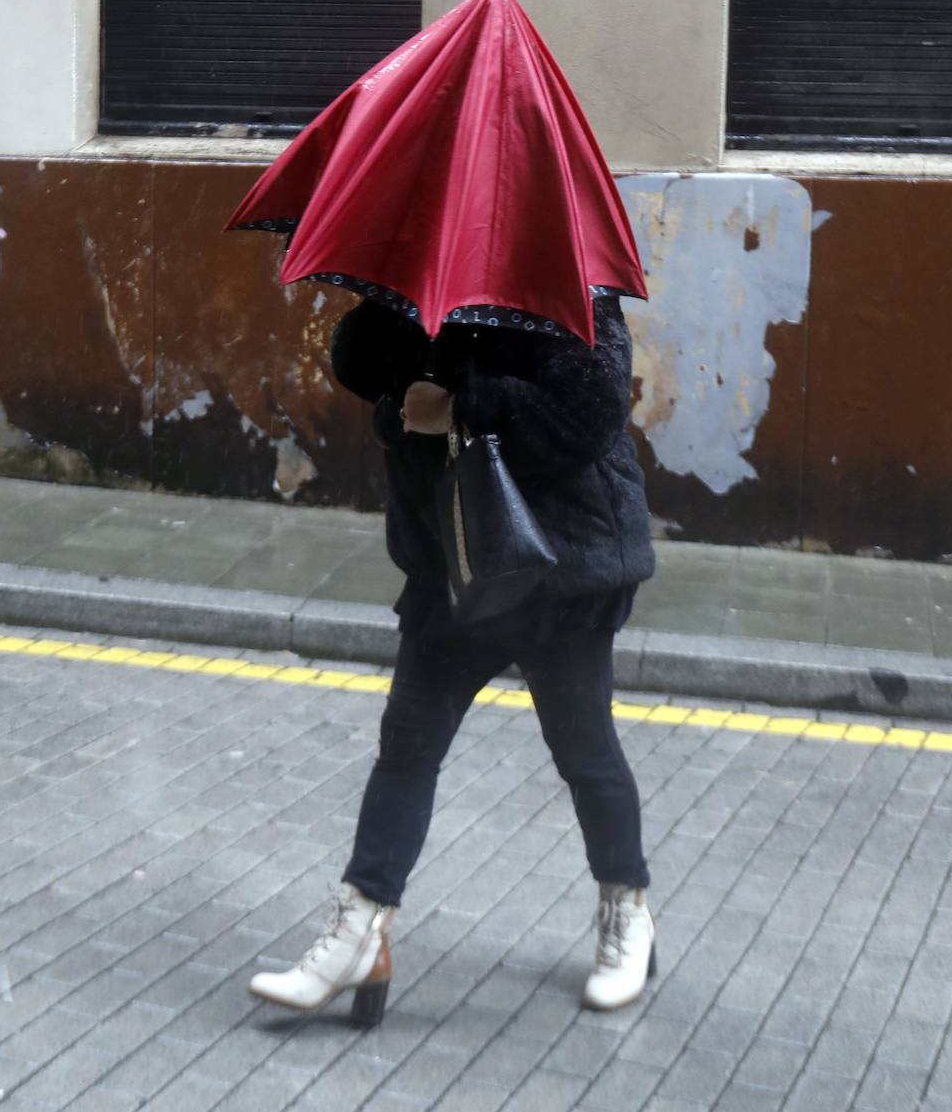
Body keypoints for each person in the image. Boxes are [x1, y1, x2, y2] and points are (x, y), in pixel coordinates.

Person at [249, 293, 657, 1026]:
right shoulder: (425, 275)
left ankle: (626, 907)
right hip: (454, 560)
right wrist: (405, 384)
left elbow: (591, 413)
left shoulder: (571, 276)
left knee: (583, 750)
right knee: (405, 746)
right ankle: (359, 934)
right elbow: (365, 369)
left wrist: (466, 402)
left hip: (556, 565)